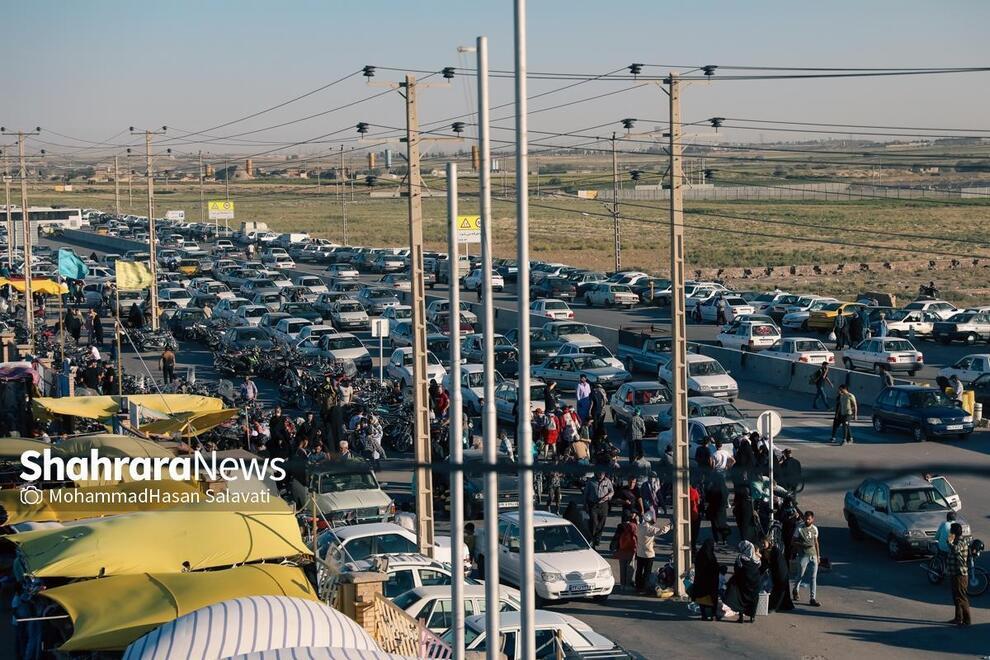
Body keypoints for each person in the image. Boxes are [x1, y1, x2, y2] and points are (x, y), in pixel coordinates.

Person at [724, 540, 761, 623]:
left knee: (741, 599)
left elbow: (736, 568)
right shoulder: (757, 559)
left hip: (743, 583)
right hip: (754, 584)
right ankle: (752, 617)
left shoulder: (740, 558)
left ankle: (741, 617)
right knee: (753, 599)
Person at [792, 510, 822, 607]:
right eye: (805, 518)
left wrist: (818, 556)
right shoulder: (799, 528)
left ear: (812, 519)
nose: (807, 520)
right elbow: (793, 541)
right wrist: (802, 545)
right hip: (803, 555)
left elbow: (816, 542)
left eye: (809, 519)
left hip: (813, 555)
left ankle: (812, 598)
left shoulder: (814, 529)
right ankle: (795, 589)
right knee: (800, 575)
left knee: (813, 577)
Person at [634, 511, 671, 592]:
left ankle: (638, 586)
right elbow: (662, 531)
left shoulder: (639, 527)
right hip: (649, 554)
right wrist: (669, 525)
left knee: (639, 570)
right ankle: (645, 587)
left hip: (640, 553)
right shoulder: (650, 529)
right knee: (647, 572)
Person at [946, 522, 971, 626]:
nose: (950, 532)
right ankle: (958, 618)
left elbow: (956, 550)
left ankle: (967, 620)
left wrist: (950, 542)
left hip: (960, 574)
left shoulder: (961, 541)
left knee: (961, 597)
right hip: (954, 573)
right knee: (956, 597)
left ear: (954, 532)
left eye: (951, 530)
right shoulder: (956, 540)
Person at [762, 536, 795, 612]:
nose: (762, 545)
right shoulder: (765, 551)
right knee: (778, 590)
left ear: (769, 542)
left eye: (764, 543)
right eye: (761, 543)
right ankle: (778, 606)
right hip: (776, 572)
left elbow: (779, 564)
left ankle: (774, 607)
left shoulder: (775, 551)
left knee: (779, 590)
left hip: (780, 573)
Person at [691, 539, 720, 620]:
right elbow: (714, 568)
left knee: (702, 599)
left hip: (701, 582)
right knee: (712, 599)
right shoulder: (711, 556)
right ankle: (713, 615)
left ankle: (704, 615)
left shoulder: (699, 555)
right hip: (711, 582)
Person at [583, 470, 614, 547]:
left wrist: (608, 496)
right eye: (599, 473)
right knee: (594, 523)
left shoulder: (607, 481)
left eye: (602, 473)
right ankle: (592, 540)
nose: (601, 474)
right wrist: (585, 504)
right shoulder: (591, 481)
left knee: (601, 523)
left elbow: (612, 491)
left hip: (604, 505)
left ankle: (597, 539)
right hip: (593, 505)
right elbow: (586, 493)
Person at [610, 512, 638, 590]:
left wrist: (613, 547)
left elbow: (616, 538)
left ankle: (622, 584)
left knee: (622, 567)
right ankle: (628, 585)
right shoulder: (633, 526)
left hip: (621, 549)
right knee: (629, 567)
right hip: (630, 549)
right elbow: (636, 537)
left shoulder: (620, 526)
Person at [706, 474, 731, 546]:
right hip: (722, 510)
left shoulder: (713, 488)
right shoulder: (724, 488)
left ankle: (716, 539)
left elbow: (708, 498)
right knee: (723, 524)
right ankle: (724, 539)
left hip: (714, 509)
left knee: (715, 525)